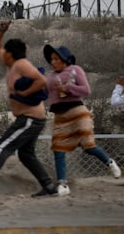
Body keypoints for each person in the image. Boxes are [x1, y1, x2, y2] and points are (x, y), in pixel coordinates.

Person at [0, 21, 58, 197]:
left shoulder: (21, 64)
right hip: (29, 118)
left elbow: (42, 81)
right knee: (26, 154)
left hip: (31, 118)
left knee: (3, 145)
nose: (2, 54)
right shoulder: (11, 64)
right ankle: (48, 186)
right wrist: (1, 31)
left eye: (5, 52)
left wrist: (24, 93)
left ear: (10, 54)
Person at [43, 44, 122, 196]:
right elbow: (45, 92)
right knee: (58, 148)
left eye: (56, 59)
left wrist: (68, 88)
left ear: (64, 59)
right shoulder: (51, 77)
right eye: (51, 59)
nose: (53, 62)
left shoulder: (75, 70)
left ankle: (109, 162)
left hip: (78, 112)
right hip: (60, 116)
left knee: (88, 146)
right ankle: (63, 184)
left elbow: (86, 90)